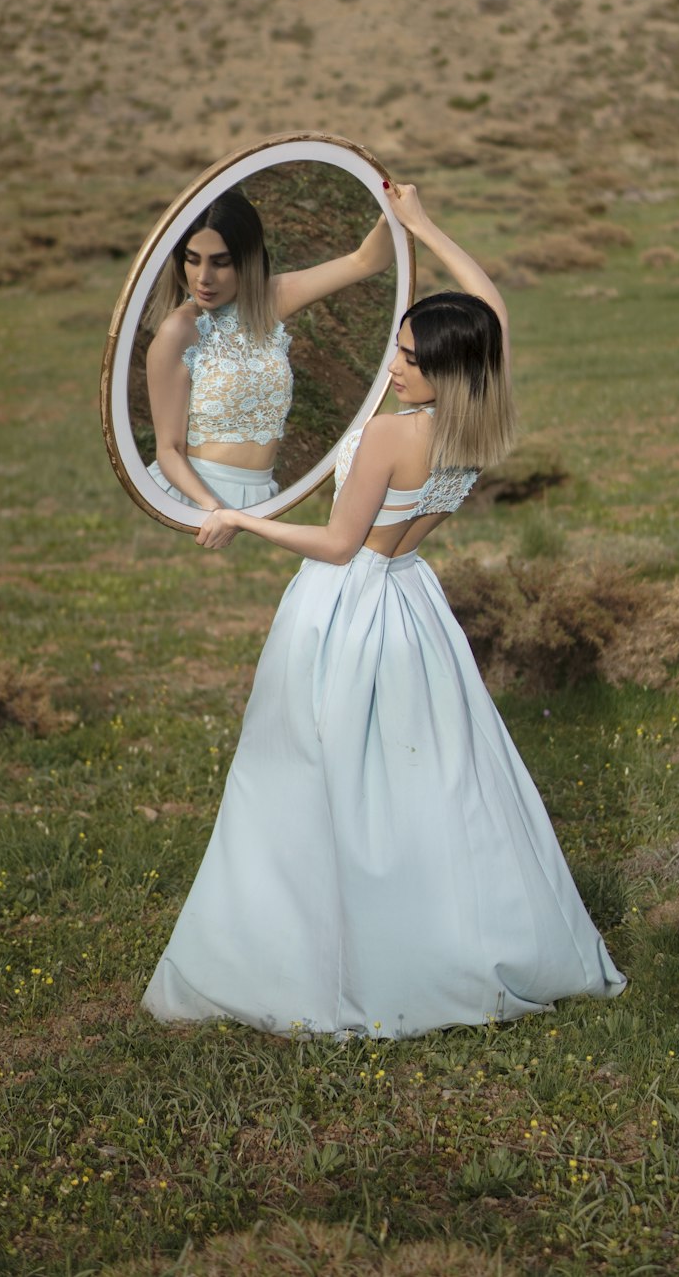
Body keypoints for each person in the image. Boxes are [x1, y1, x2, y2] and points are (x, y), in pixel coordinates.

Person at [141, 183, 627, 1039]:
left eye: (404, 356)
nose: (390, 363)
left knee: (299, 776)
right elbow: (490, 306)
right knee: (430, 777)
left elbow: (336, 547)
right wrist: (422, 225)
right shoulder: (483, 411)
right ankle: (449, 926)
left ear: (440, 368)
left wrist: (240, 517)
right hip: (415, 601)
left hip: (347, 606)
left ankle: (325, 953)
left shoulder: (390, 436)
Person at [144, 187, 394, 511]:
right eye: (193, 260)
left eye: (221, 263)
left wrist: (391, 210)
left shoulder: (269, 300)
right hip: (196, 499)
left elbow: (368, 260)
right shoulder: (179, 331)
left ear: (247, 260)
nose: (203, 278)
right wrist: (212, 508)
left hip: (261, 498)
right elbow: (168, 450)